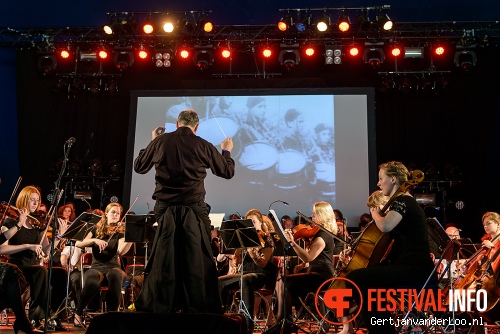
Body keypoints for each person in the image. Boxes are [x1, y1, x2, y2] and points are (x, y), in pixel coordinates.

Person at [133, 109, 235, 314]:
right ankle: (197, 306)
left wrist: (153, 141)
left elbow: (139, 167)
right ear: (196, 127)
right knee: (197, 257)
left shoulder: (161, 142)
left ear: (177, 124)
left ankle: (161, 305)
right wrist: (226, 151)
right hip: (194, 210)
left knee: (164, 256)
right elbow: (227, 171)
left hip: (164, 209)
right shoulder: (203, 144)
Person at [345, 161, 435, 334]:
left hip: (414, 269)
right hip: (411, 267)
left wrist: (376, 214)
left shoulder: (403, 201)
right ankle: (383, 330)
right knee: (368, 283)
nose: (378, 183)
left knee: (356, 278)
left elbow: (385, 226)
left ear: (393, 179)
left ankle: (382, 331)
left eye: (381, 178)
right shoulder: (403, 202)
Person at [1, 185, 69, 331]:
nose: (35, 204)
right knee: (41, 271)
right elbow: (2, 249)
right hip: (17, 267)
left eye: (37, 201)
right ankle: (35, 316)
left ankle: (56, 316)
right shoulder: (10, 222)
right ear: (23, 200)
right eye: (31, 200)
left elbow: (47, 250)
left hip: (35, 267)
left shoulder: (36, 224)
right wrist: (26, 246)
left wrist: (59, 236)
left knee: (60, 274)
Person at [267, 201, 337, 334]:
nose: (312, 217)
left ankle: (283, 322)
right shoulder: (318, 234)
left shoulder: (323, 235)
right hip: (315, 273)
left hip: (322, 277)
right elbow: (315, 258)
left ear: (323, 215)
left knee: (284, 281)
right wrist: (302, 265)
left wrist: (292, 243)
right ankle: (284, 321)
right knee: (282, 281)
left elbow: (309, 257)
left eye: (315, 214)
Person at [73, 202, 132, 327]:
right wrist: (94, 240)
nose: (116, 215)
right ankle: (78, 312)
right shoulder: (96, 229)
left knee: (115, 275)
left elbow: (120, 251)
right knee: (92, 280)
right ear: (106, 214)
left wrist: (130, 237)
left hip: (113, 267)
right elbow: (78, 243)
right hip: (97, 267)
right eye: (113, 212)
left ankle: (112, 314)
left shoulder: (121, 232)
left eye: (118, 213)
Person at [218, 208, 276, 334]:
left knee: (245, 279)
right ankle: (218, 317)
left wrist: (252, 251)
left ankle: (248, 323)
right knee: (219, 281)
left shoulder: (267, 241)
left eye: (253, 222)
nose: (251, 225)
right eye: (249, 223)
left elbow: (263, 263)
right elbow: (236, 259)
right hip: (245, 274)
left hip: (262, 275)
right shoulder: (243, 240)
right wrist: (234, 263)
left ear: (261, 223)